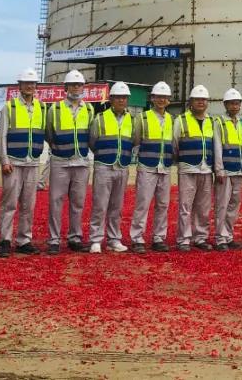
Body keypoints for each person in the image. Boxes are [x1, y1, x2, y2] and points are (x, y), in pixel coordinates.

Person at [0, 67, 48, 257]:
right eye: (26, 83)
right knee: (9, 203)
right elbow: (1, 136)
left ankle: (24, 239)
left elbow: (46, 132)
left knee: (28, 204)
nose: (30, 86)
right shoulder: (9, 107)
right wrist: (4, 159)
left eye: (33, 83)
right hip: (14, 162)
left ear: (36, 86)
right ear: (19, 85)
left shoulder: (42, 107)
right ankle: (4, 240)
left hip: (33, 162)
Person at [44, 70, 92, 254]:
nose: (76, 88)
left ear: (83, 88)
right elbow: (49, 133)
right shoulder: (55, 109)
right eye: (72, 85)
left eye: (79, 85)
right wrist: (60, 148)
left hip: (81, 162)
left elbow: (91, 135)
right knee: (56, 201)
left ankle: (75, 238)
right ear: (65, 88)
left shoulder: (88, 109)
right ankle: (54, 240)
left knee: (78, 202)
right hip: (60, 161)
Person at [87, 82, 134, 253]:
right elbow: (92, 141)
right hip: (104, 166)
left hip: (122, 166)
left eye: (124, 98)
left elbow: (133, 141)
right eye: (118, 97)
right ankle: (95, 240)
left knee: (117, 206)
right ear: (111, 99)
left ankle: (114, 239)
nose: (122, 100)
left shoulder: (132, 119)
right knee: (100, 204)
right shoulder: (100, 118)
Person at [130, 81, 175, 254]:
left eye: (165, 97)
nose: (162, 100)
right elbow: (136, 140)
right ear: (153, 98)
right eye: (158, 97)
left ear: (169, 100)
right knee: (143, 203)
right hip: (147, 166)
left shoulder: (172, 119)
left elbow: (174, 143)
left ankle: (158, 238)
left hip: (164, 167)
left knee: (163, 204)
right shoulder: (143, 117)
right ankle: (137, 238)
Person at [174, 85, 215, 252]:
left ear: (207, 103)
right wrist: (182, 161)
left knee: (203, 207)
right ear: (190, 102)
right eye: (197, 99)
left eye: (203, 100)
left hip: (206, 169)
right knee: (185, 205)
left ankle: (200, 237)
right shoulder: (181, 120)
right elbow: (174, 144)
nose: (201, 102)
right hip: (188, 169)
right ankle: (184, 239)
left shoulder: (211, 121)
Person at [212, 88, 242, 251]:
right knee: (222, 204)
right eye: (232, 103)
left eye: (237, 103)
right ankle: (220, 238)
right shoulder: (219, 122)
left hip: (237, 171)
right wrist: (219, 169)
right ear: (225, 104)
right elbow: (217, 146)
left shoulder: (240, 123)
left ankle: (229, 235)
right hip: (225, 171)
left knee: (234, 204)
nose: (234, 106)